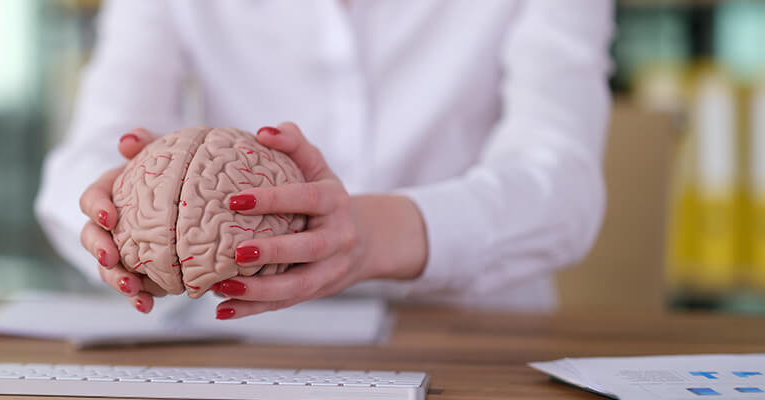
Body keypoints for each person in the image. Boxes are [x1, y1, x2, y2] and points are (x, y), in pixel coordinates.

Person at [35, 1, 613, 319]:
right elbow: (91, 150)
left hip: (472, 342)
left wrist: (370, 236)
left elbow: (563, 184)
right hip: (239, 351)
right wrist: (112, 217)